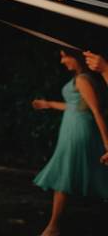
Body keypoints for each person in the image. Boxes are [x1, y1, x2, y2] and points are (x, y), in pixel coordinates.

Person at [32, 48, 108, 235]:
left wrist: (107, 143)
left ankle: (53, 226)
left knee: (64, 174)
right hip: (71, 128)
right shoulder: (79, 79)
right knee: (68, 173)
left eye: (64, 56)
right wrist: (48, 104)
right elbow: (73, 105)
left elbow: (96, 112)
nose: (62, 61)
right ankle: (54, 225)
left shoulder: (83, 80)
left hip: (78, 131)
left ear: (75, 57)